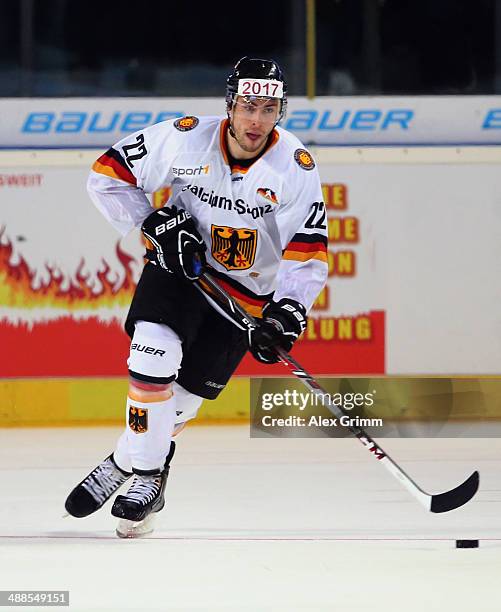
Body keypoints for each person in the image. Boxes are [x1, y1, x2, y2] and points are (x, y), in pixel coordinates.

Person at [64, 57, 328, 537]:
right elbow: (107, 174)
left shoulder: (295, 166)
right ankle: (147, 475)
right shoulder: (185, 137)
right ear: (230, 104)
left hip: (245, 295)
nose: (256, 119)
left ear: (280, 111)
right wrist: (152, 222)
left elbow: (306, 251)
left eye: (268, 108)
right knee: (151, 353)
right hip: (182, 269)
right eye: (248, 105)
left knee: (182, 404)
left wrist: (289, 310)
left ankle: (127, 459)